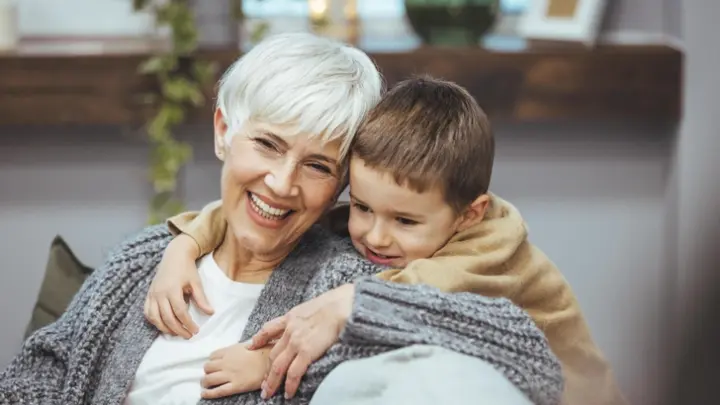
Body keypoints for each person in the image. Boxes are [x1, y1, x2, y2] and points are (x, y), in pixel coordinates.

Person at [0, 33, 563, 405]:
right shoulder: (145, 260)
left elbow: (531, 361)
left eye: (317, 165)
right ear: (224, 132)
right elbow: (43, 369)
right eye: (268, 145)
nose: (282, 183)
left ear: (344, 182)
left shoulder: (343, 284)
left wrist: (353, 309)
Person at [149, 76, 625, 405]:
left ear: (470, 214)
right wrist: (185, 245)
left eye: (404, 220)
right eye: (360, 207)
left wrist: (275, 357)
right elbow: (274, 212)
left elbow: (399, 318)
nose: (373, 235)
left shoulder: (486, 250)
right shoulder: (396, 225)